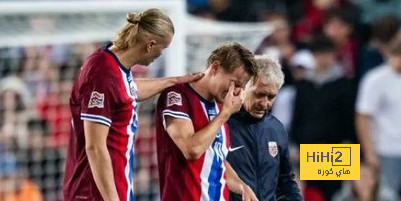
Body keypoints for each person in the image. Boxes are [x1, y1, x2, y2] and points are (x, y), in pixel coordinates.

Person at [63, 8, 203, 201]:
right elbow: (94, 146)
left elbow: (127, 91)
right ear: (150, 45)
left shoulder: (113, 66)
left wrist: (175, 80)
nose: (160, 55)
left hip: (110, 187)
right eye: (163, 49)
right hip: (93, 192)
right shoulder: (102, 74)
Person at [155, 42, 258, 201]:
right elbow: (191, 150)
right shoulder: (177, 96)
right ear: (215, 67)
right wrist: (225, 115)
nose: (237, 91)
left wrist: (242, 186)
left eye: (242, 87)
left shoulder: (219, 107)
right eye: (235, 83)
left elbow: (216, 157)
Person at [226, 55, 303, 201]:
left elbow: (286, 182)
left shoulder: (276, 129)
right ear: (243, 86)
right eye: (259, 94)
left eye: (271, 97)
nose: (264, 103)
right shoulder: (221, 124)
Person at [356, 39, 401, 201]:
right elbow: (362, 117)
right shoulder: (375, 79)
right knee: (386, 196)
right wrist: (369, 152)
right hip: (386, 150)